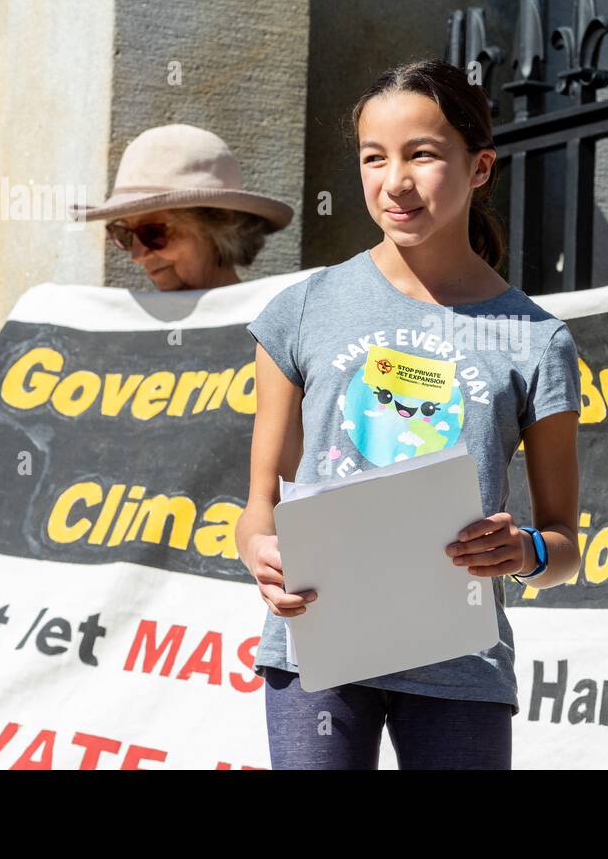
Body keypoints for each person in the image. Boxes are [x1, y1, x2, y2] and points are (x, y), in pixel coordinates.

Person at [234, 59, 583, 770]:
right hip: (315, 654)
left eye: (422, 154)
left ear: (480, 167)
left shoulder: (537, 341)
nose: (394, 181)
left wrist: (526, 552)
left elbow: (564, 546)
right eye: (373, 158)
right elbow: (259, 505)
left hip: (461, 666)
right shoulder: (299, 312)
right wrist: (260, 556)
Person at [68, 123, 293, 290]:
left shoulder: (277, 335)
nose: (137, 256)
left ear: (221, 227)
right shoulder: (122, 337)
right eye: (123, 234)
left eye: (153, 233)